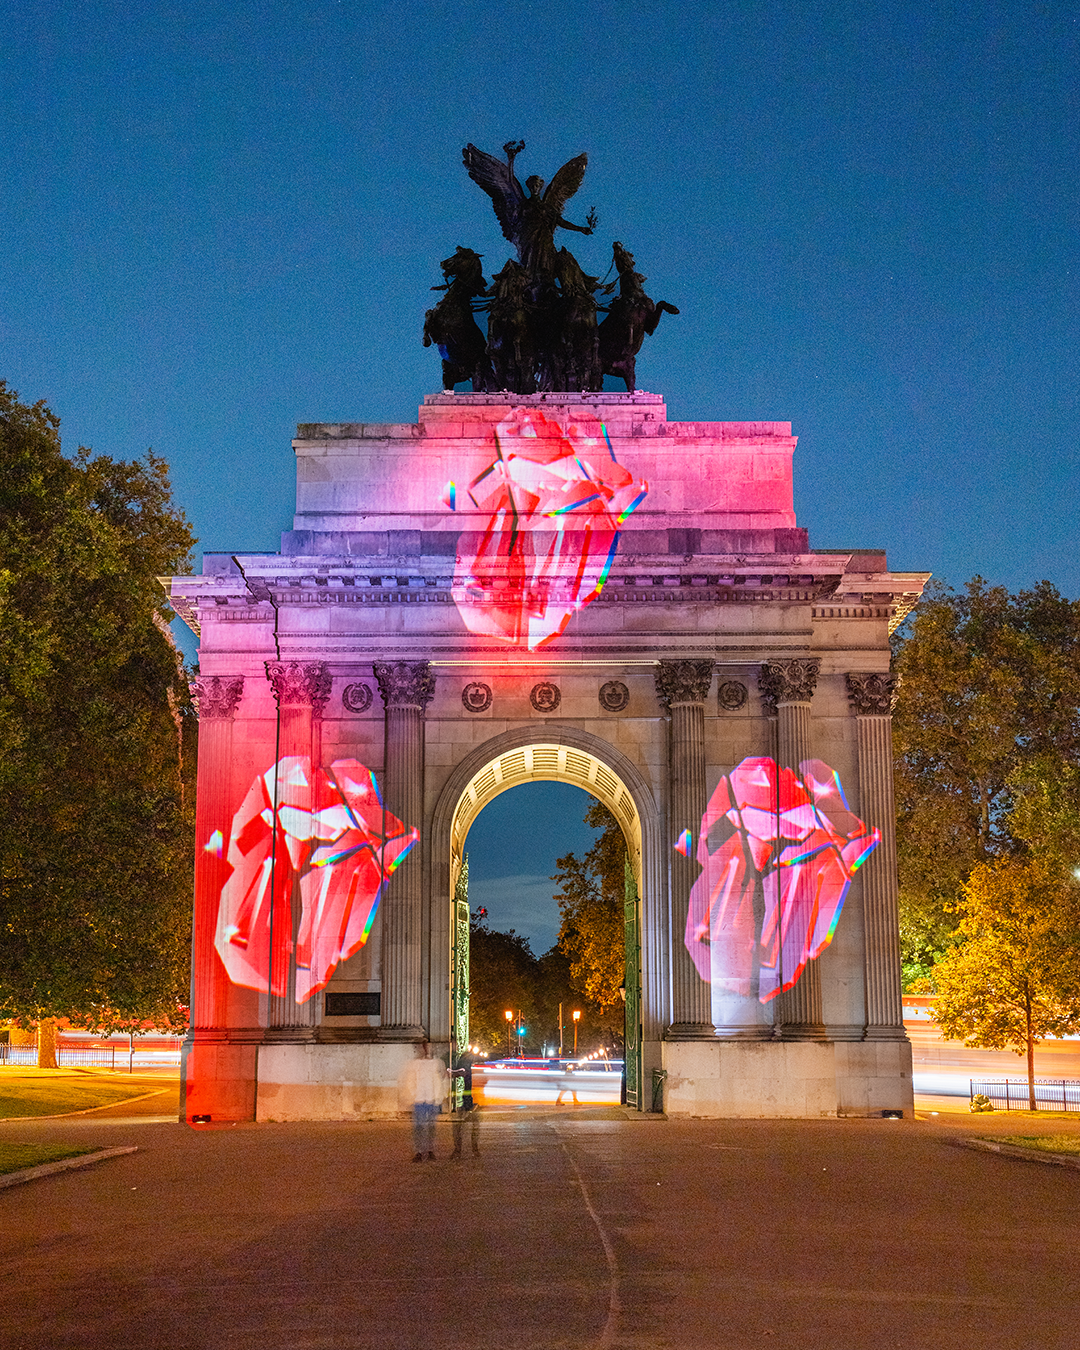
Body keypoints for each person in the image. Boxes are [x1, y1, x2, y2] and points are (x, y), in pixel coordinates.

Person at [398, 1041, 449, 1162]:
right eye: (426, 1047)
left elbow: (444, 1079)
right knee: (419, 1127)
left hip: (432, 1098)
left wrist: (441, 1096)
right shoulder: (416, 1064)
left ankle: (430, 1150)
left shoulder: (437, 1063)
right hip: (419, 1099)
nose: (427, 1050)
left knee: (430, 1127)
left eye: (429, 1048)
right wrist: (413, 1094)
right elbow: (409, 1080)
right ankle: (419, 1151)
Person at [450, 1043, 481, 1158]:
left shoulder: (464, 1060)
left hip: (467, 1099)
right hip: (472, 1100)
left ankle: (459, 1150)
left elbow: (460, 1073)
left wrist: (452, 1073)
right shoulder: (472, 1061)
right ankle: (474, 1149)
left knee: (459, 1127)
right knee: (474, 1127)